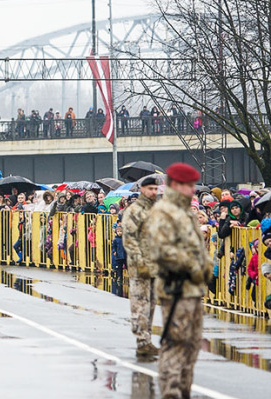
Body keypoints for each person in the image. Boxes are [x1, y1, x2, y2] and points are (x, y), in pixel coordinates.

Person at [147, 163, 211, 399]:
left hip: (193, 288)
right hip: (175, 288)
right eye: (188, 185)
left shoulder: (186, 213)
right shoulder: (164, 213)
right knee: (175, 345)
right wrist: (193, 266)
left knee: (191, 346)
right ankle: (171, 393)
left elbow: (198, 249)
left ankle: (183, 391)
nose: (192, 190)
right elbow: (162, 251)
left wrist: (207, 270)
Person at [121, 175, 160, 360]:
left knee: (151, 305)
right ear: (142, 190)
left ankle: (148, 339)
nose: (153, 192)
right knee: (140, 304)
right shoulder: (134, 210)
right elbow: (129, 238)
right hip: (140, 265)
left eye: (155, 189)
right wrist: (139, 260)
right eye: (150, 189)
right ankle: (141, 341)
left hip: (155, 264)